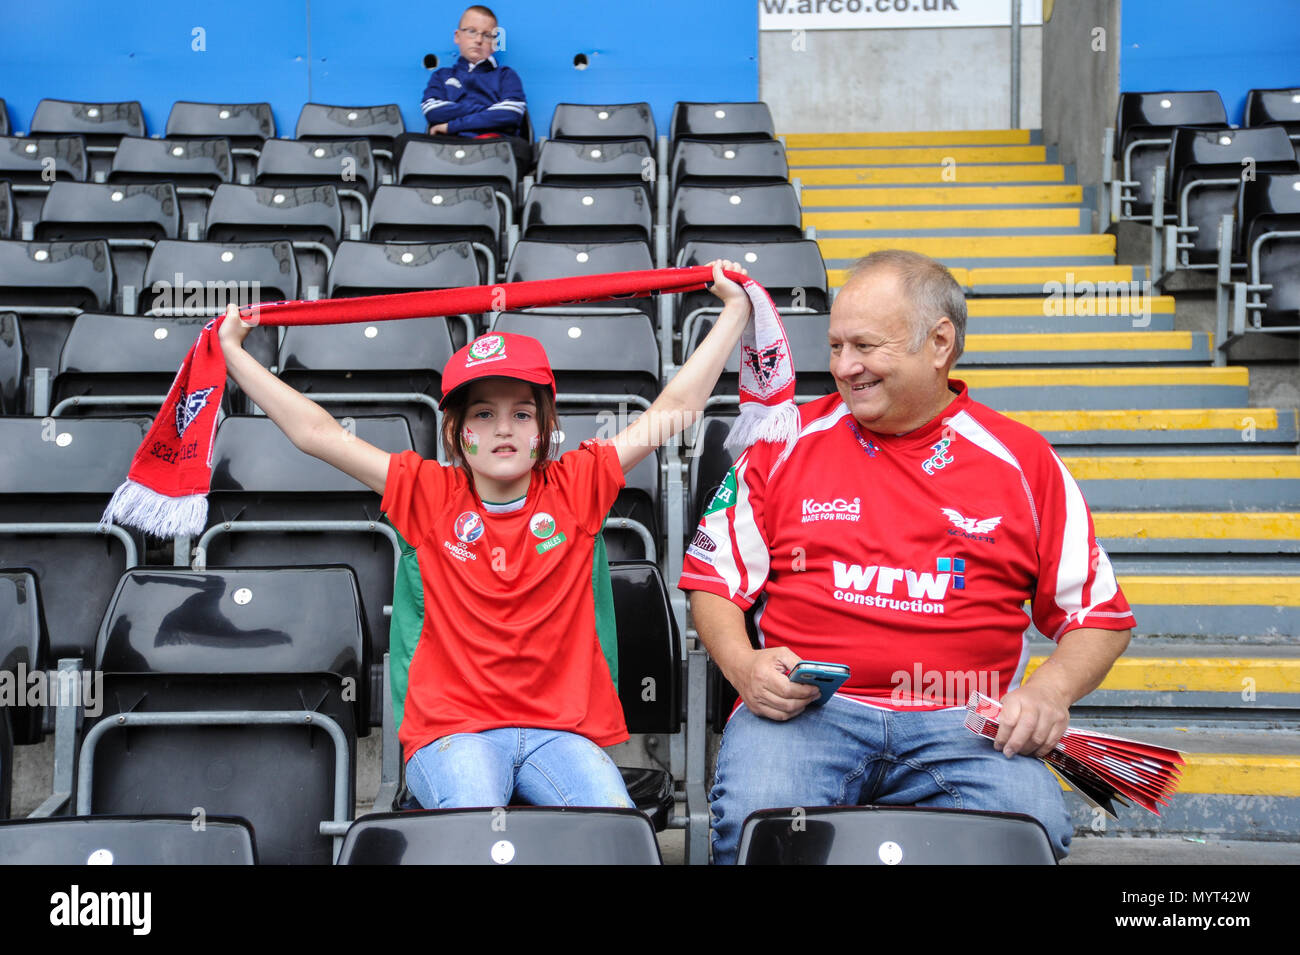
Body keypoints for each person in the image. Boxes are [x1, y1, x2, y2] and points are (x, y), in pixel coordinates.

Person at [219, 261, 751, 810]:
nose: (503, 428)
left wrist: (734, 311)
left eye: (522, 413)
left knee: (608, 828)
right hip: (453, 734)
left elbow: (677, 410)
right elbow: (316, 432)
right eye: (483, 414)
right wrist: (235, 354)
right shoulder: (426, 494)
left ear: (546, 428)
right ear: (456, 432)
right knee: (471, 829)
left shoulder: (578, 485)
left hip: (560, 734)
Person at [680, 249, 1135, 864]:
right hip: (809, 715)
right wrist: (742, 664)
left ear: (939, 343)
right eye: (836, 346)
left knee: (1026, 833)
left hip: (965, 720)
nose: (844, 367)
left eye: (865, 347)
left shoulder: (1024, 462)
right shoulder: (780, 445)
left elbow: (1097, 618)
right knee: (758, 827)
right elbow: (712, 579)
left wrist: (1049, 692)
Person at [419, 5, 530, 166]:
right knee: (405, 144)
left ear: (494, 42)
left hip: (495, 147)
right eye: (471, 31)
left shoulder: (506, 75)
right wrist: (488, 109)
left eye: (486, 35)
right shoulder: (442, 75)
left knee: (521, 148)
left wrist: (451, 126)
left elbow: (510, 114)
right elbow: (433, 112)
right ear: (457, 36)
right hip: (448, 147)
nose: (478, 40)